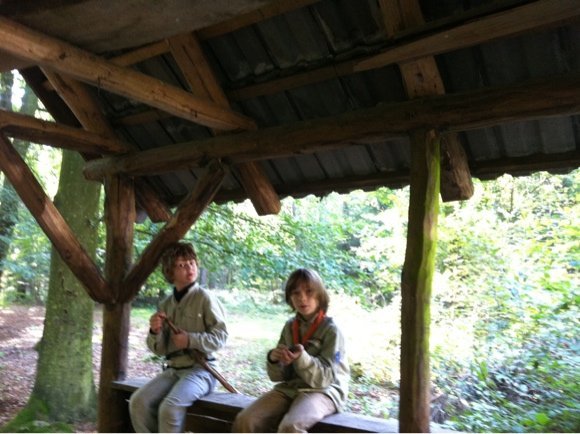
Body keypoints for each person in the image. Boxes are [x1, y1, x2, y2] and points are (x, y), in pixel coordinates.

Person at [232, 268, 349, 433]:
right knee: (246, 420)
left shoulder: (331, 330)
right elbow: (277, 377)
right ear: (290, 298)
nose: (302, 298)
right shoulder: (290, 326)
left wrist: (302, 359)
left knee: (290, 427)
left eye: (309, 291)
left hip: (323, 391)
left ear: (320, 294)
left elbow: (326, 379)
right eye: (296, 293)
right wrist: (274, 360)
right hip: (291, 388)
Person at [129, 242, 228, 433]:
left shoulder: (205, 298)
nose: (189, 268)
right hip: (173, 370)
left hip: (202, 371)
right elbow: (159, 350)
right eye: (182, 265)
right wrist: (155, 332)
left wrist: (190, 340)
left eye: (192, 262)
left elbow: (221, 337)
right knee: (138, 402)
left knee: (170, 408)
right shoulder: (166, 304)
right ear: (170, 272)